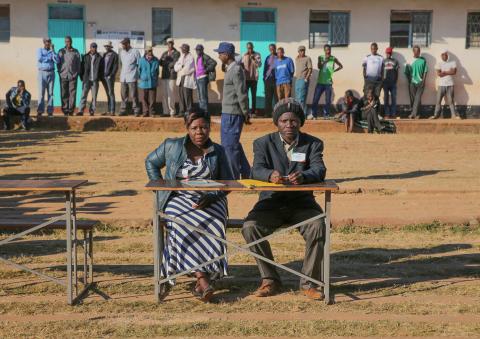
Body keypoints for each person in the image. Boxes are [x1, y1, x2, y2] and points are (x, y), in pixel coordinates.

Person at [242, 98, 327, 301]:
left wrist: (305, 176)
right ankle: (270, 279)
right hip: (271, 202)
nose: (289, 125)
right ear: (276, 123)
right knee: (250, 227)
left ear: (300, 122)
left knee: (317, 225)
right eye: (284, 121)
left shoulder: (313, 143)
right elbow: (256, 169)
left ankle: (309, 283)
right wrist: (269, 174)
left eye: (294, 120)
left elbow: (319, 169)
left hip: (301, 203)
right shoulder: (262, 143)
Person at [145, 111, 234, 302]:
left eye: (204, 127)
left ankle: (202, 278)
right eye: (194, 128)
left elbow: (228, 182)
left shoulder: (218, 151)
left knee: (215, 222)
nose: (199, 132)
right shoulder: (172, 146)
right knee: (179, 221)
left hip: (210, 199)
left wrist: (212, 196)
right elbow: (150, 161)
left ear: (210, 128)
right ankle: (202, 278)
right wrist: (161, 186)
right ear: (187, 129)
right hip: (177, 197)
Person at [214, 41, 251, 180]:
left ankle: (233, 177)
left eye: (220, 53)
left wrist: (246, 113)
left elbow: (241, 93)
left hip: (233, 114)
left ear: (226, 54)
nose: (218, 56)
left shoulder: (236, 70)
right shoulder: (230, 68)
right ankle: (247, 173)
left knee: (229, 146)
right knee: (232, 145)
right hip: (228, 113)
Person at [310, 44, 343, 120]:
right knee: (315, 99)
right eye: (326, 50)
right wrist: (325, 61)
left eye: (329, 50)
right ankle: (314, 114)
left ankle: (326, 115)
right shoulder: (320, 57)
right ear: (324, 50)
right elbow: (319, 67)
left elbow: (341, 66)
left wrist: (334, 71)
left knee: (328, 100)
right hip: (320, 82)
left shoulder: (333, 58)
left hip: (328, 83)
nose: (328, 51)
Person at [432, 50, 460, 119]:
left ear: (447, 56)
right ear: (441, 56)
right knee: (438, 101)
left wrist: (444, 72)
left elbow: (454, 72)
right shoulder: (439, 64)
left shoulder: (452, 62)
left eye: (446, 55)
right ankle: (436, 115)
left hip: (450, 84)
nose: (444, 56)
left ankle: (453, 115)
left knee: (451, 101)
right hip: (441, 85)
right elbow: (439, 74)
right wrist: (449, 71)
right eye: (443, 55)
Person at [57, 36, 81, 116]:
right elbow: (58, 62)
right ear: (65, 42)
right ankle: (65, 110)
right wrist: (60, 72)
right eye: (66, 41)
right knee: (64, 93)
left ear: (71, 42)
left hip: (73, 76)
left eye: (69, 41)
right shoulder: (61, 51)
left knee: (72, 93)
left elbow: (78, 63)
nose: (68, 43)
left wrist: (76, 73)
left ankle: (71, 110)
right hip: (63, 75)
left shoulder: (76, 52)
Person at [78, 42, 103, 116]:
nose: (93, 48)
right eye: (92, 47)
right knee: (83, 95)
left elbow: (101, 69)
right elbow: (81, 68)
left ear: (96, 48)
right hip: (86, 79)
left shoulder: (99, 57)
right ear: (90, 48)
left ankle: (92, 110)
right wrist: (82, 77)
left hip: (95, 80)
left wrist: (98, 77)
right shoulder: (85, 57)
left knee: (94, 97)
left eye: (95, 47)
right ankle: (80, 110)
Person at [119, 37, 141, 116]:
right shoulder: (122, 52)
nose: (122, 45)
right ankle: (123, 110)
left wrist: (137, 76)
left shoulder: (135, 52)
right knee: (123, 95)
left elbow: (139, 64)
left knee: (133, 95)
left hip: (132, 77)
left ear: (128, 44)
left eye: (124, 44)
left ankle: (136, 110)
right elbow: (121, 64)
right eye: (122, 44)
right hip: (123, 77)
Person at [36, 38, 58, 117]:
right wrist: (49, 58)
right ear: (44, 42)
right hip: (42, 73)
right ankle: (40, 110)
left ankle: (50, 111)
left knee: (51, 93)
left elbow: (57, 61)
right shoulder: (40, 50)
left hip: (51, 73)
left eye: (49, 42)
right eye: (46, 42)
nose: (48, 43)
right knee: (41, 93)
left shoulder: (52, 51)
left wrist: (53, 51)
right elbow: (40, 58)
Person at [404, 45, 428, 119]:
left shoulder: (423, 60)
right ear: (413, 51)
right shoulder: (409, 61)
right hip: (412, 83)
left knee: (417, 98)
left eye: (418, 51)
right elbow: (406, 72)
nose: (417, 52)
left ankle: (413, 114)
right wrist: (409, 81)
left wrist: (423, 80)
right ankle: (418, 114)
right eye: (416, 51)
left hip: (420, 82)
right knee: (414, 99)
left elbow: (425, 71)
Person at [160, 38, 180, 117]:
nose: (169, 45)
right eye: (168, 43)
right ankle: (165, 111)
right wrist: (165, 61)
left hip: (172, 76)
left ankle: (172, 111)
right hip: (164, 75)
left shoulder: (176, 53)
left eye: (171, 43)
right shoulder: (164, 53)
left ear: (173, 44)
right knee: (164, 94)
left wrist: (166, 62)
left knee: (171, 94)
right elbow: (160, 62)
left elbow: (174, 63)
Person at [194, 44, 217, 114]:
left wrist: (206, 70)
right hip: (198, 78)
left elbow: (214, 63)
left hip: (203, 78)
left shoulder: (205, 56)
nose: (197, 51)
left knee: (203, 96)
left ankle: (205, 112)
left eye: (198, 50)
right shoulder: (198, 57)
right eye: (196, 50)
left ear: (202, 50)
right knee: (199, 96)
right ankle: (202, 110)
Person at [174, 44, 196, 116]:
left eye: (183, 48)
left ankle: (189, 111)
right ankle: (181, 111)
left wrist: (180, 69)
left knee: (187, 96)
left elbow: (188, 69)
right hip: (180, 78)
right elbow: (175, 67)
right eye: (181, 48)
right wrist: (181, 67)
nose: (182, 50)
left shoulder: (191, 57)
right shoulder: (181, 56)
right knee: (181, 95)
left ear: (186, 49)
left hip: (186, 78)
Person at [138, 46, 160, 117]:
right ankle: (145, 112)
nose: (149, 52)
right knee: (144, 98)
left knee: (152, 99)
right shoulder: (141, 60)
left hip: (152, 82)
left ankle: (152, 112)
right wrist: (141, 77)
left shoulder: (156, 60)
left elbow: (157, 71)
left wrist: (155, 77)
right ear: (145, 52)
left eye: (150, 51)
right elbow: (139, 70)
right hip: (143, 82)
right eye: (148, 51)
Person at [242, 42, 262, 116]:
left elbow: (259, 65)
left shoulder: (257, 55)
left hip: (254, 78)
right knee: (246, 96)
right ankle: (247, 111)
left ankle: (253, 112)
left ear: (253, 47)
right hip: (246, 78)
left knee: (254, 96)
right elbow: (242, 64)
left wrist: (254, 59)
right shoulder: (244, 55)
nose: (249, 49)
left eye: (250, 48)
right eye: (248, 48)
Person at [101, 41, 119, 116]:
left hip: (109, 77)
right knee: (107, 93)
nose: (106, 47)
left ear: (110, 47)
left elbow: (115, 66)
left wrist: (111, 75)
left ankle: (112, 110)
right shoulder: (104, 54)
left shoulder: (114, 55)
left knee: (111, 93)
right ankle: (108, 110)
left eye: (108, 46)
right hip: (104, 77)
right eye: (106, 46)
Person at [294, 46, 313, 116]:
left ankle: (303, 114)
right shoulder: (297, 59)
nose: (302, 52)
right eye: (300, 51)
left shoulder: (307, 58)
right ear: (298, 52)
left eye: (303, 51)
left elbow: (310, 69)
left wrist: (306, 78)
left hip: (303, 80)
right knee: (297, 97)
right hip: (297, 80)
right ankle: (300, 112)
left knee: (302, 97)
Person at [383, 47, 399, 119]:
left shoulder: (395, 61)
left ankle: (393, 114)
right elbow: (381, 72)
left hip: (393, 83)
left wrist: (395, 81)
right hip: (385, 83)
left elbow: (397, 72)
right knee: (386, 99)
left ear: (391, 53)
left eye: (389, 53)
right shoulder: (383, 61)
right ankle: (387, 114)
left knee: (393, 98)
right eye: (387, 53)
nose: (388, 54)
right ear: (385, 53)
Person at [263, 44, 278, 117]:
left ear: (275, 49)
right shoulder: (267, 58)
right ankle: (267, 113)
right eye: (270, 49)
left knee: (276, 98)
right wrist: (264, 78)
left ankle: (277, 113)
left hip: (276, 80)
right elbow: (265, 69)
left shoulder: (278, 57)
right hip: (268, 80)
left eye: (273, 49)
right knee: (268, 97)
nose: (271, 50)